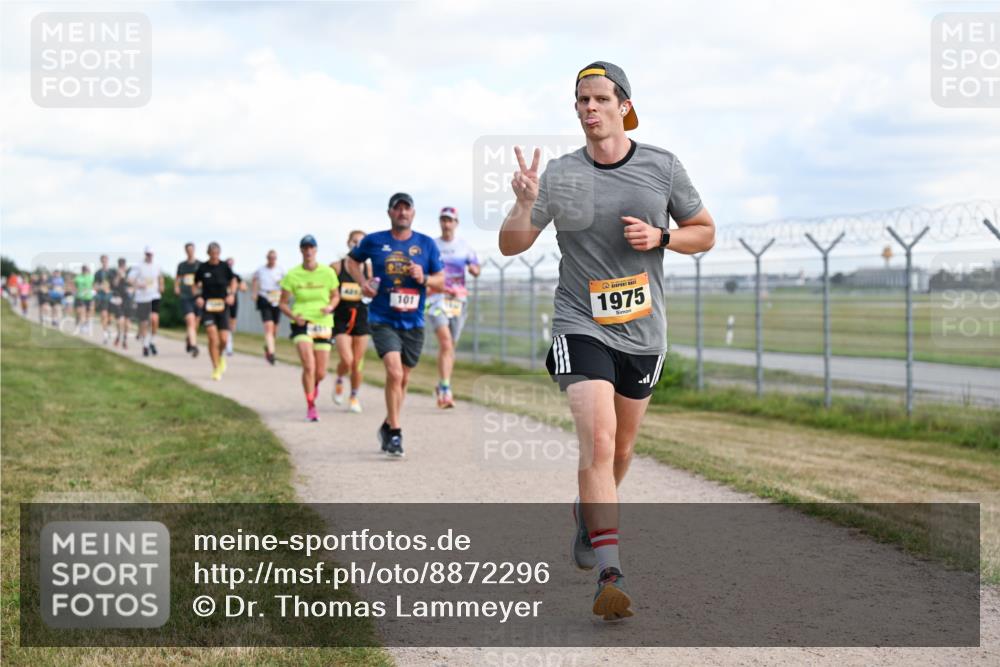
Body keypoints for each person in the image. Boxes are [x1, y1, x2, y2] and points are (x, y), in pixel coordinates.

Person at [498, 61, 715, 621]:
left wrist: (663, 235)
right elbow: (511, 245)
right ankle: (611, 571)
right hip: (580, 321)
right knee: (598, 439)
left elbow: (705, 232)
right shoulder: (562, 175)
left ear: (624, 106)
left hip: (643, 332)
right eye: (580, 100)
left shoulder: (663, 167)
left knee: (619, 452)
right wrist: (524, 202)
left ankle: (587, 513)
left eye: (599, 98)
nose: (589, 108)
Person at [345, 193, 444, 457]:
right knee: (395, 373)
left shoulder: (426, 245)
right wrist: (362, 283)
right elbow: (351, 261)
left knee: (404, 378)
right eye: (397, 208)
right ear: (389, 213)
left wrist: (424, 278)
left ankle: (388, 424)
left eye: (406, 208)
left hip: (413, 321)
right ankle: (396, 433)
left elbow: (441, 281)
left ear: (413, 213)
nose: (402, 212)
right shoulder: (374, 241)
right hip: (382, 318)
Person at [279, 235, 339, 422]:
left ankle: (313, 386)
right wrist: (293, 316)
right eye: (305, 247)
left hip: (323, 323)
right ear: (301, 250)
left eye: (311, 247)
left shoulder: (328, 272)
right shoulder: (292, 274)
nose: (308, 251)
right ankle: (311, 406)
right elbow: (282, 303)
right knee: (308, 365)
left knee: (320, 372)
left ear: (316, 249)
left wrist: (330, 307)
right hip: (302, 323)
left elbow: (335, 296)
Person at [425, 207, 480, 408]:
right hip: (436, 299)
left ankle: (441, 384)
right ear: (440, 222)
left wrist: (474, 269)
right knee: (446, 344)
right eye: (443, 220)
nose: (446, 223)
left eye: (450, 220)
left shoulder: (464, 246)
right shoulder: (432, 245)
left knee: (449, 347)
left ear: (456, 223)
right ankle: (446, 390)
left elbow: (476, 268)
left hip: (457, 300)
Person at [331, 230, 372, 413]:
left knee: (357, 362)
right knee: (347, 360)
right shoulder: (337, 267)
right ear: (348, 243)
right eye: (354, 241)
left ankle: (354, 396)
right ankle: (339, 379)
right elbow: (327, 290)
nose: (357, 245)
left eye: (361, 242)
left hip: (362, 318)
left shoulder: (369, 268)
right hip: (341, 318)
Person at [194, 242, 237, 381]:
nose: (214, 256)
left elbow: (234, 281)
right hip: (208, 307)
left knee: (223, 339)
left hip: (222, 306)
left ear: (219, 253)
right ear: (208, 253)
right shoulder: (202, 268)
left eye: (217, 253)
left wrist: (232, 295)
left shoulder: (225, 267)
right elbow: (195, 285)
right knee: (212, 338)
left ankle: (221, 355)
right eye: (212, 253)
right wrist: (198, 297)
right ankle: (216, 368)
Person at [128, 246, 163, 357]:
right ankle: (146, 345)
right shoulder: (138, 266)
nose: (149, 256)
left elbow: (160, 277)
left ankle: (151, 341)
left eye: (151, 254)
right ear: (145, 254)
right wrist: (138, 285)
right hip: (142, 297)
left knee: (154, 319)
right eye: (148, 254)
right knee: (143, 322)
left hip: (154, 296)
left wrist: (161, 286)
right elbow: (129, 279)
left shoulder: (157, 265)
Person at [252, 250, 285, 365]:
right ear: (267, 258)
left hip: (276, 298)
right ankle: (272, 353)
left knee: (275, 329)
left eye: (274, 258)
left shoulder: (280, 270)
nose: (272, 260)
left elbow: (285, 284)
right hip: (264, 297)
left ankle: (268, 347)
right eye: (270, 258)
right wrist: (255, 293)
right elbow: (255, 280)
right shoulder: (260, 270)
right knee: (268, 326)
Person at [175, 243, 201, 358]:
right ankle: (194, 346)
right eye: (188, 250)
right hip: (185, 296)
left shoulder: (200, 264)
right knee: (190, 320)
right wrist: (176, 287)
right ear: (185, 251)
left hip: (197, 296)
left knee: (196, 323)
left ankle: (189, 339)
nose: (190, 251)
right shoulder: (182, 265)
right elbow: (178, 279)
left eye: (191, 249)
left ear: (194, 250)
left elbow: (203, 279)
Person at [225, 257, 247, 357]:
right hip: (222, 302)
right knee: (223, 323)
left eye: (230, 264)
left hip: (233, 302)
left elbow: (244, 288)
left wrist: (235, 286)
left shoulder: (236, 276)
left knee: (232, 324)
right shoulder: (221, 275)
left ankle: (229, 343)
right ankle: (226, 345)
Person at [94, 255, 116, 344]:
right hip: (102, 297)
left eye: (105, 260)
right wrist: (100, 287)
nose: (104, 262)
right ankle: (105, 335)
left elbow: (116, 284)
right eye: (102, 261)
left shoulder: (112, 272)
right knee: (103, 315)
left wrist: (110, 289)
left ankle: (108, 328)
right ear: (101, 261)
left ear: (108, 261)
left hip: (111, 296)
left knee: (110, 318)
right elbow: (94, 286)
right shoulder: (98, 273)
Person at [109, 258, 131, 349]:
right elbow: (114, 284)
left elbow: (132, 284)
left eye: (123, 264)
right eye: (120, 264)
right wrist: (118, 275)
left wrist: (125, 276)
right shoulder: (114, 273)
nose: (122, 266)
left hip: (127, 299)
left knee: (127, 322)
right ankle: (118, 335)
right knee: (119, 320)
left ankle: (125, 339)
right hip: (118, 298)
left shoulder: (129, 273)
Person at [73, 265, 95, 335]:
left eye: (86, 270)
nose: (85, 271)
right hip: (80, 297)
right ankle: (78, 327)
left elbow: (94, 285)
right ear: (82, 270)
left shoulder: (91, 277)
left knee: (88, 314)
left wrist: (93, 291)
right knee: (80, 312)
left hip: (89, 298)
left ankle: (85, 325)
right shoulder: (78, 278)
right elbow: (74, 285)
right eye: (84, 270)